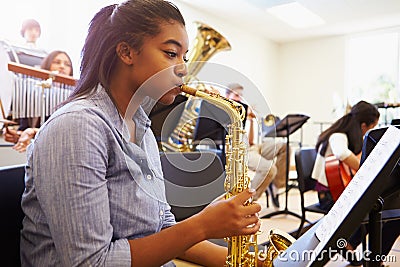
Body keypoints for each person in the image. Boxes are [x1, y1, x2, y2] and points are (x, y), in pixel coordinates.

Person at [19, 1, 262, 266]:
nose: (183, 69)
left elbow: (162, 226)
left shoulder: (140, 127)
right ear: (126, 52)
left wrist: (247, 261)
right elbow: (90, 262)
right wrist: (202, 225)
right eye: (171, 53)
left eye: (185, 57)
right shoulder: (76, 127)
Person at [225, 83, 290, 206]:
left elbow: (253, 138)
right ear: (227, 96)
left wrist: (251, 120)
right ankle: (247, 200)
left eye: (241, 96)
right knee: (269, 169)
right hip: (241, 150)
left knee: (284, 145)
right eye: (236, 95)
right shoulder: (226, 111)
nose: (240, 99)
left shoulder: (243, 112)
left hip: (256, 146)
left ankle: (276, 186)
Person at [311, 100, 380, 211]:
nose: (371, 131)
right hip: (329, 196)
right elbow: (341, 153)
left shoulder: (349, 136)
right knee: (366, 207)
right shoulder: (338, 135)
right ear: (363, 126)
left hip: (337, 192)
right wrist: (364, 170)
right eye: (372, 127)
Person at [3, 50, 74, 150]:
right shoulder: (34, 94)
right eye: (57, 62)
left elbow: (68, 132)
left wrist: (34, 131)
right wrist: (17, 136)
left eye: (67, 64)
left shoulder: (73, 98)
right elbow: (25, 130)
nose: (62, 66)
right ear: (47, 65)